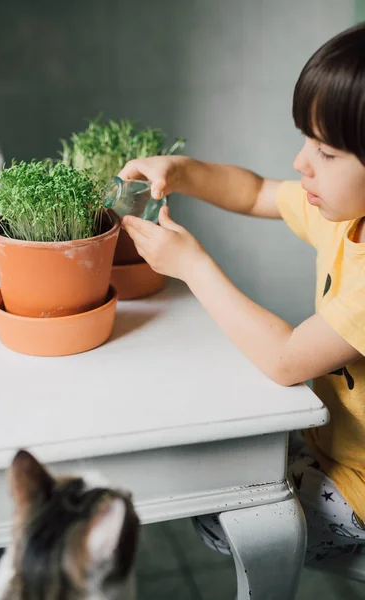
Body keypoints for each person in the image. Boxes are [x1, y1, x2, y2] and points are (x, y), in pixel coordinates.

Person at [119, 23, 365, 562]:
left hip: (361, 485)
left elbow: (284, 362)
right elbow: (254, 190)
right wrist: (179, 171)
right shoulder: (345, 215)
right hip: (330, 440)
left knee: (219, 517)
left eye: (324, 151)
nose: (301, 163)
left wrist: (193, 266)